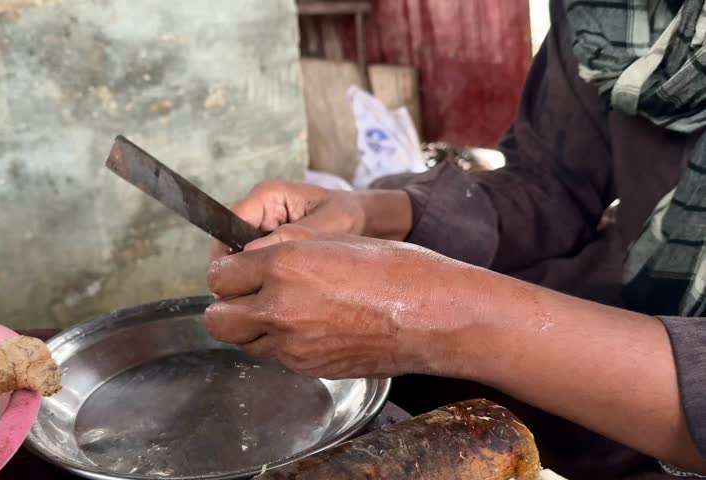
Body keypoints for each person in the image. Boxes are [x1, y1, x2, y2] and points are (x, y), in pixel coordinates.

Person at [204, 0, 706, 478]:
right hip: (617, 317)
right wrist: (370, 213)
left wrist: (443, 318)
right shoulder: (607, 13)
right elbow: (552, 184)